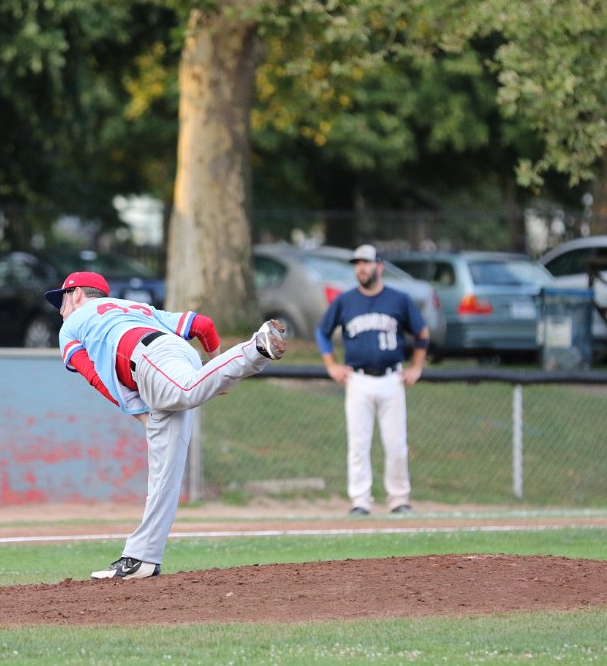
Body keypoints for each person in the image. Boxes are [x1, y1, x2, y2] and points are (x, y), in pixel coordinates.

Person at [45, 271, 286, 579]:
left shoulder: (69, 327)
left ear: (77, 293)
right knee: (164, 475)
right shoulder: (136, 308)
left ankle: (255, 349)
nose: (60, 309)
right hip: (174, 355)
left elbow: (95, 377)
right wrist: (215, 365)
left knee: (185, 392)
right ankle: (141, 558)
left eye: (62, 299)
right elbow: (203, 326)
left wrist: (139, 414)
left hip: (146, 358)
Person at [316, 244, 430, 516]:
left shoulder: (398, 299)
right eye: (357, 263)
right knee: (358, 444)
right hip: (358, 379)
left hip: (392, 378)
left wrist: (416, 367)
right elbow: (322, 332)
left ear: (379, 266)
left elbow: (422, 333)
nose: (361, 268)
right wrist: (331, 365)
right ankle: (360, 501)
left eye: (366, 263)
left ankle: (398, 499)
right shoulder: (345, 301)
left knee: (396, 445)